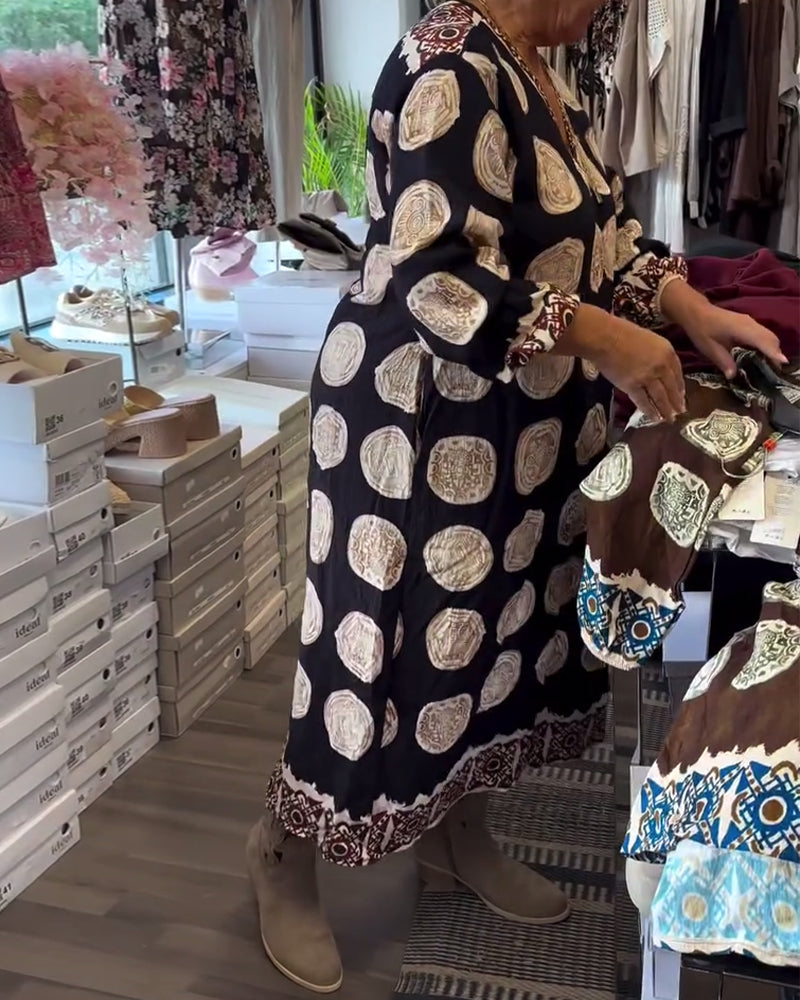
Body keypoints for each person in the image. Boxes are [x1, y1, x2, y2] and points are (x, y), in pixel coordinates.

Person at [246, 1, 788, 993]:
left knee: (482, 644)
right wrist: (611, 342)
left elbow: (602, 239)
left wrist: (691, 310)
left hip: (512, 425)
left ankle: (457, 831)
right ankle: (285, 851)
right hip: (413, 429)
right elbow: (436, 277)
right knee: (380, 648)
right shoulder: (445, 69)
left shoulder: (539, 67)